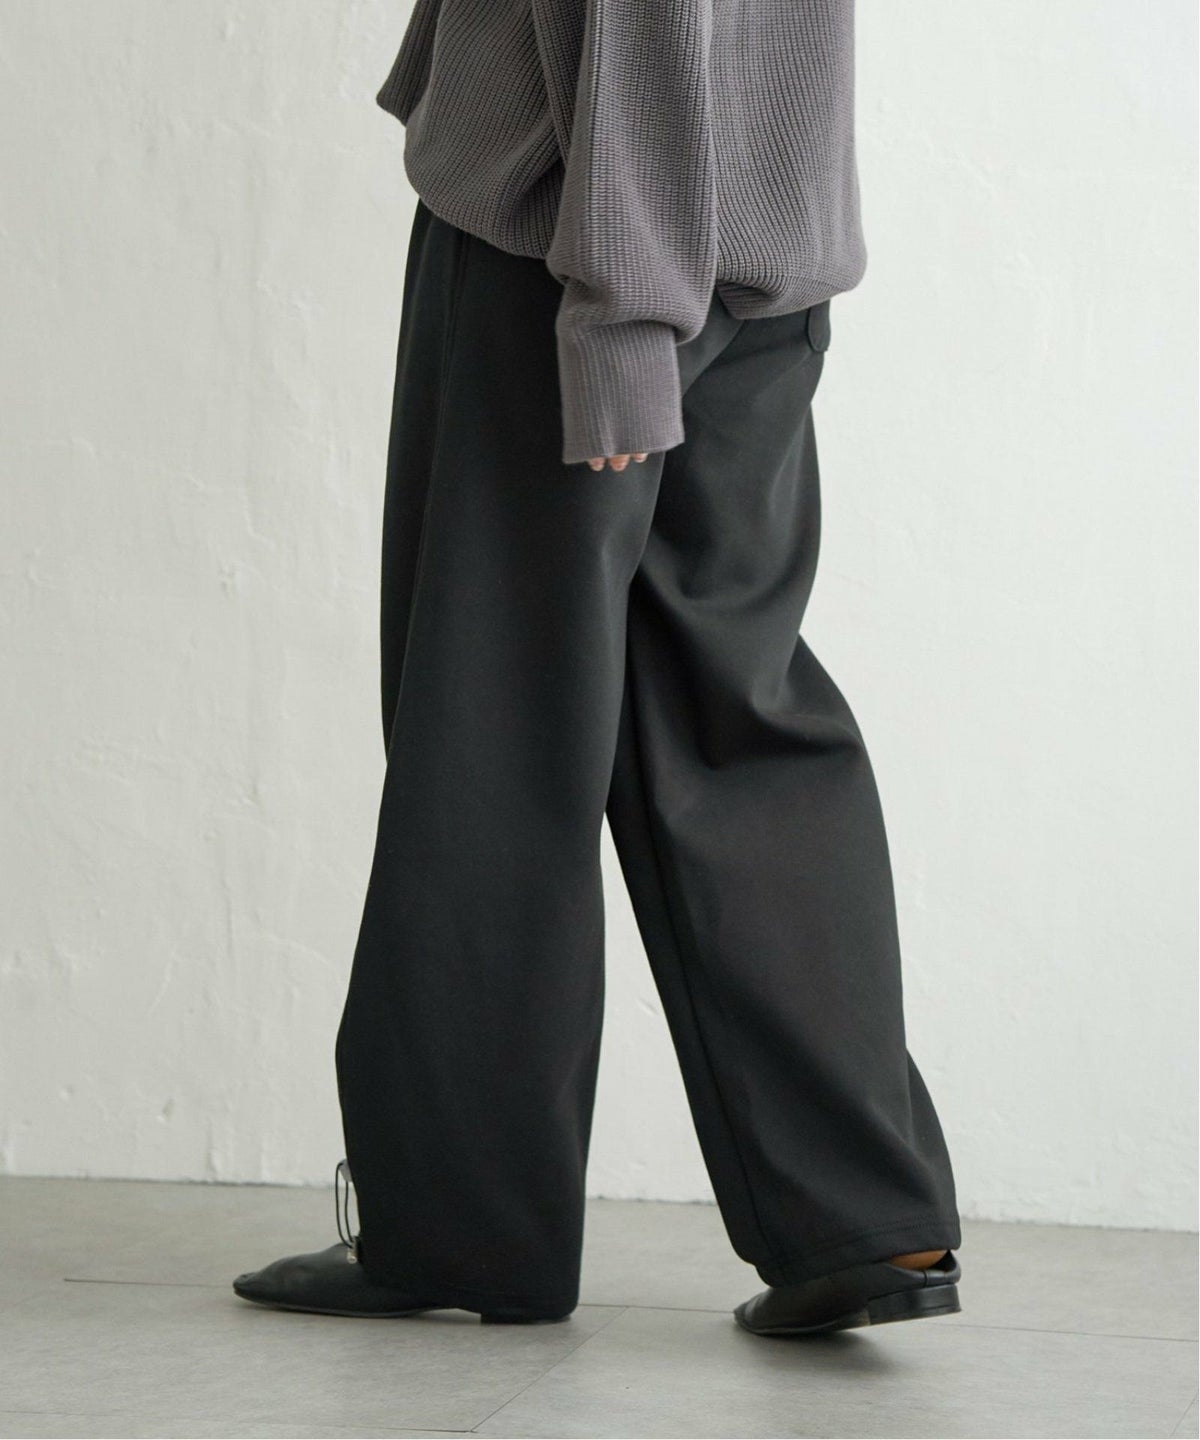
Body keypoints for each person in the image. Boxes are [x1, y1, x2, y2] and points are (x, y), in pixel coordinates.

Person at [233, 0, 962, 1337]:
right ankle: (863, 1218)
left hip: (575, 271)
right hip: (756, 263)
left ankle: (460, 1230)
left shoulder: (605, 284)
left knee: (494, 738)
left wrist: (625, 314)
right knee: (734, 725)